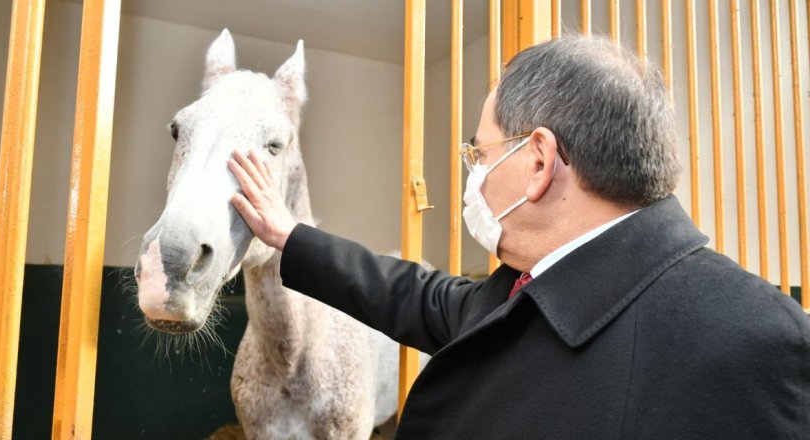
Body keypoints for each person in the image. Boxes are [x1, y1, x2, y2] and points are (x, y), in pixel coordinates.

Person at [228, 36, 810, 439]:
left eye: (478, 153)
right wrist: (291, 234)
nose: (472, 174)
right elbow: (417, 295)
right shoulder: (525, 289)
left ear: (537, 162)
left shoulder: (754, 342)